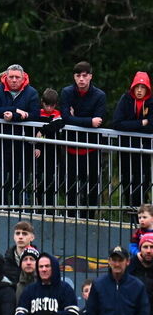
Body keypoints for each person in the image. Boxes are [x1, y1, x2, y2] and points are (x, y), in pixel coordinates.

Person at [0, 64, 41, 205]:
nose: (14, 80)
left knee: (20, 180)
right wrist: (15, 110)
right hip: (1, 142)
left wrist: (17, 116)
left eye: (17, 77)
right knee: (0, 178)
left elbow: (35, 115)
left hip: (22, 144)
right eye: (11, 77)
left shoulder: (32, 93)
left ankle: (21, 210)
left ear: (23, 78)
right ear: (6, 77)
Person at [58, 61, 108, 212]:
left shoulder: (99, 95)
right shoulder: (67, 92)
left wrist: (76, 117)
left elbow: (98, 121)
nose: (81, 79)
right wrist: (88, 121)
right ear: (74, 77)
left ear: (90, 77)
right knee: (71, 186)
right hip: (71, 146)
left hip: (92, 147)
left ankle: (90, 219)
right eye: (78, 75)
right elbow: (65, 118)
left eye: (84, 76)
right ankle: (72, 217)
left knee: (92, 186)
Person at [84, 245, 149, 315]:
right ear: (109, 261)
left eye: (120, 260)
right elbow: (90, 314)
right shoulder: (98, 284)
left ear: (128, 262)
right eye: (114, 260)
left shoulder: (138, 286)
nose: (117, 264)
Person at [113, 72, 152, 209]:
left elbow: (152, 126)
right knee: (126, 180)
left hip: (144, 150)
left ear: (147, 88)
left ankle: (143, 213)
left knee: (144, 181)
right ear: (133, 87)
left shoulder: (151, 101)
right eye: (137, 87)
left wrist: (129, 125)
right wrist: (142, 123)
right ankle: (128, 211)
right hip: (126, 148)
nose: (140, 90)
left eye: (143, 87)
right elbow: (117, 123)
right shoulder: (125, 99)